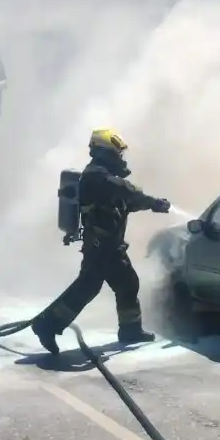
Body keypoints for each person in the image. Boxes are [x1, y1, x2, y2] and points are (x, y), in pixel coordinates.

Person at [31, 128, 170, 354]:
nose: (120, 159)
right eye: (116, 154)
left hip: (111, 247)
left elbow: (127, 202)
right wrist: (150, 200)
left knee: (128, 284)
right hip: (100, 246)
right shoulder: (95, 175)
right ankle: (46, 325)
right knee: (87, 288)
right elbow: (124, 190)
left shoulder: (105, 177)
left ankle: (130, 330)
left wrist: (153, 205)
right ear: (104, 152)